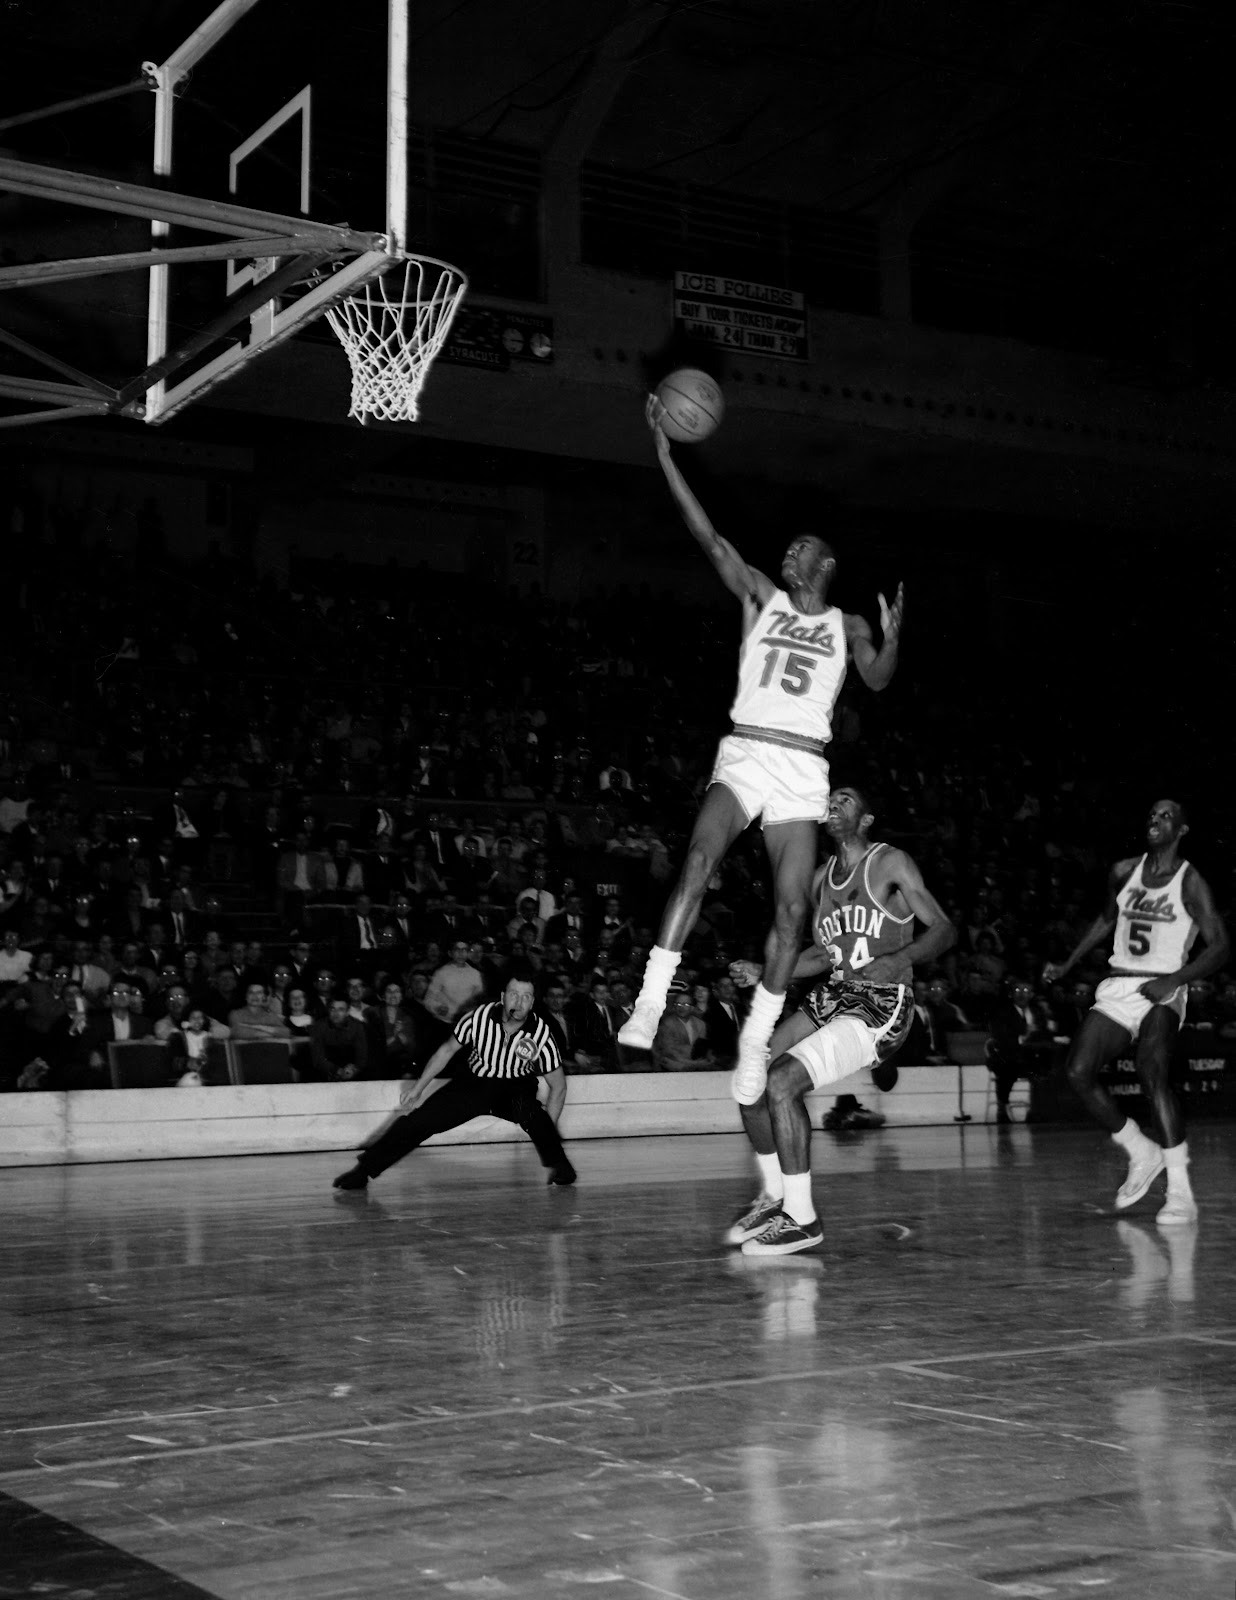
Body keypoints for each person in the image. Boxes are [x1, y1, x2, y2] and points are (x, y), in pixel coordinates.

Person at [619, 397, 904, 1108]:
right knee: (697, 860)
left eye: (801, 548)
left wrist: (894, 637)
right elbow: (709, 537)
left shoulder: (848, 622)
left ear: (826, 564)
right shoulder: (764, 594)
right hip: (748, 752)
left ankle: (755, 1040)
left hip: (803, 767)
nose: (788, 553)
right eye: (788, 549)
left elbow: (876, 680)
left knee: (791, 913)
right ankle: (652, 997)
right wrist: (665, 455)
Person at [728, 785, 955, 1254]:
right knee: (751, 1079)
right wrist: (767, 971)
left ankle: (802, 1218)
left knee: (782, 1083)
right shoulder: (819, 880)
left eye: (845, 799)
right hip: (834, 994)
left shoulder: (890, 863)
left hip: (881, 1003)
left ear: (866, 819)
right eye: (829, 799)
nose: (833, 804)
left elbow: (944, 928)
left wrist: (902, 958)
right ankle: (775, 1196)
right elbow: (821, 954)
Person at [1043, 799, 1230, 1226]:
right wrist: (1068, 963)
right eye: (1151, 815)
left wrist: (1175, 979)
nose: (1155, 820)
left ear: (1182, 830)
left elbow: (1221, 947)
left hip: (1163, 986)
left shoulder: (1190, 881)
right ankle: (1141, 1151)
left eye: (1166, 816)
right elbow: (1105, 919)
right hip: (1120, 983)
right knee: (1078, 1071)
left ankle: (1180, 1193)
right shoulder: (1123, 870)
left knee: (1151, 1071)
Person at [333, 966, 576, 1191]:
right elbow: (446, 1050)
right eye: (514, 994)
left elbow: (558, 1086)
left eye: (525, 997)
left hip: (515, 1090)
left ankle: (562, 1167)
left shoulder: (541, 1033)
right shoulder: (478, 1017)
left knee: (538, 1118)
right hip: (474, 1084)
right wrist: (418, 1088)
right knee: (418, 1121)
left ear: (532, 1002)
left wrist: (550, 1137)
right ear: (503, 997)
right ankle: (363, 1171)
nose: (519, 1002)